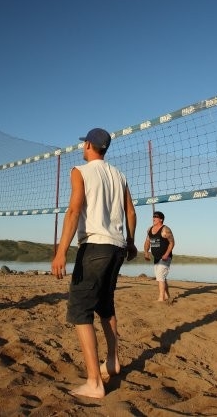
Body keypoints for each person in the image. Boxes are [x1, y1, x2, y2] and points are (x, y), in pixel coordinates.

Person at [51, 128, 137, 399]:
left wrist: (61, 251)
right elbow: (131, 211)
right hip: (117, 247)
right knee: (105, 306)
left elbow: (74, 210)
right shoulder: (119, 175)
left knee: (80, 311)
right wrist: (130, 242)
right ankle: (112, 362)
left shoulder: (80, 170)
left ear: (88, 145)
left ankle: (94, 383)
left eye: (83, 143)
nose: (82, 147)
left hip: (95, 246)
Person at [143, 210, 175, 302]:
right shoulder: (150, 229)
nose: (154, 218)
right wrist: (146, 252)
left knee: (160, 276)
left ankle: (161, 298)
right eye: (153, 216)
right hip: (156, 257)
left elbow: (172, 243)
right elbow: (147, 241)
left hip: (165, 257)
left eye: (156, 216)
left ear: (161, 219)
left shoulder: (165, 229)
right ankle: (167, 295)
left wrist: (166, 254)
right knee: (160, 277)